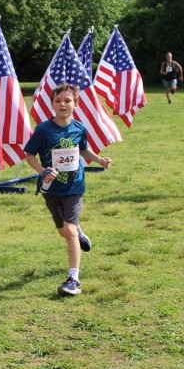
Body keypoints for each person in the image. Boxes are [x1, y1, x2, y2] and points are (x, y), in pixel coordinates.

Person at [24, 84, 112, 296]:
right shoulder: (43, 130)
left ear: (76, 104)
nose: (62, 104)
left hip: (74, 186)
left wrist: (99, 160)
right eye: (58, 101)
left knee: (69, 231)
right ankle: (78, 230)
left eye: (67, 101)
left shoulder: (79, 128)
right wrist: (43, 171)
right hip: (51, 189)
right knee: (64, 231)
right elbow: (29, 155)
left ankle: (74, 280)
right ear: (52, 104)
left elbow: (82, 149)